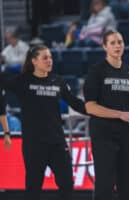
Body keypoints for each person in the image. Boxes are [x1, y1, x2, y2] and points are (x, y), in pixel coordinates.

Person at [0, 44, 86, 200]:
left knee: (67, 184)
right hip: (34, 144)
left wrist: (98, 110)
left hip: (57, 142)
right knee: (33, 189)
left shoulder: (57, 81)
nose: (49, 61)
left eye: (50, 57)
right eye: (45, 58)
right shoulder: (23, 81)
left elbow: (75, 103)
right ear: (34, 61)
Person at [83, 30, 129, 200]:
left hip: (127, 135)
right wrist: (119, 114)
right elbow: (90, 107)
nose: (117, 46)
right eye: (113, 42)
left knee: (128, 185)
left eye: (120, 42)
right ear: (104, 46)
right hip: (103, 135)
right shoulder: (96, 71)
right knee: (105, 185)